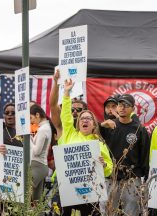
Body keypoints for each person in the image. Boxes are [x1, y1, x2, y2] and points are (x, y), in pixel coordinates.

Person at [59, 79, 113, 216]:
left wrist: (104, 164)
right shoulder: (70, 134)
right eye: (82, 118)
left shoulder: (99, 143)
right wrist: (66, 93)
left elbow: (109, 169)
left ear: (94, 124)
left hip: (90, 192)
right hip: (68, 188)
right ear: (78, 122)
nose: (84, 120)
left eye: (88, 118)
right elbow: (65, 116)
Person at [100, 94, 150, 215]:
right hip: (111, 177)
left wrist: (143, 176)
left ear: (133, 109)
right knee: (109, 212)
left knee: (131, 212)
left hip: (131, 178)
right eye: (120, 105)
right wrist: (101, 125)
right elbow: (89, 132)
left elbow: (145, 155)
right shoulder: (109, 125)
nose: (122, 108)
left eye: (126, 105)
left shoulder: (139, 129)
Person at [0, 74, 22, 216]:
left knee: (13, 211)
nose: (9, 115)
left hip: (15, 179)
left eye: (13, 113)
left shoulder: (24, 132)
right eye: (6, 112)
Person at [50, 69, 87, 139]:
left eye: (79, 109)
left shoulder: (90, 129)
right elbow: (53, 105)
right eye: (72, 110)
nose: (75, 111)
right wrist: (56, 82)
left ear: (85, 112)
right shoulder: (61, 125)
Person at [30, 104, 53, 201]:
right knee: (36, 200)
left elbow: (36, 151)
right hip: (40, 165)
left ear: (37, 115)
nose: (31, 121)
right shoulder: (45, 128)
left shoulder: (43, 129)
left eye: (31, 118)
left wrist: (28, 138)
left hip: (37, 165)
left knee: (25, 194)